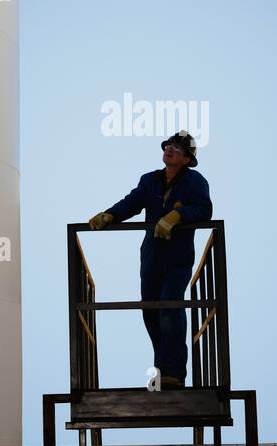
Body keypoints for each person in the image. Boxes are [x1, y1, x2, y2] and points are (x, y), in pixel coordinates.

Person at [88, 131, 212, 388]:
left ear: (188, 159)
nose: (169, 150)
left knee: (169, 308)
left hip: (177, 259)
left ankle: (174, 373)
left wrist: (177, 215)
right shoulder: (150, 181)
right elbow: (131, 203)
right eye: (168, 146)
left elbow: (204, 209)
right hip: (152, 259)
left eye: (177, 149)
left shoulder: (195, 181)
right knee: (150, 313)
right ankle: (163, 370)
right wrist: (109, 216)